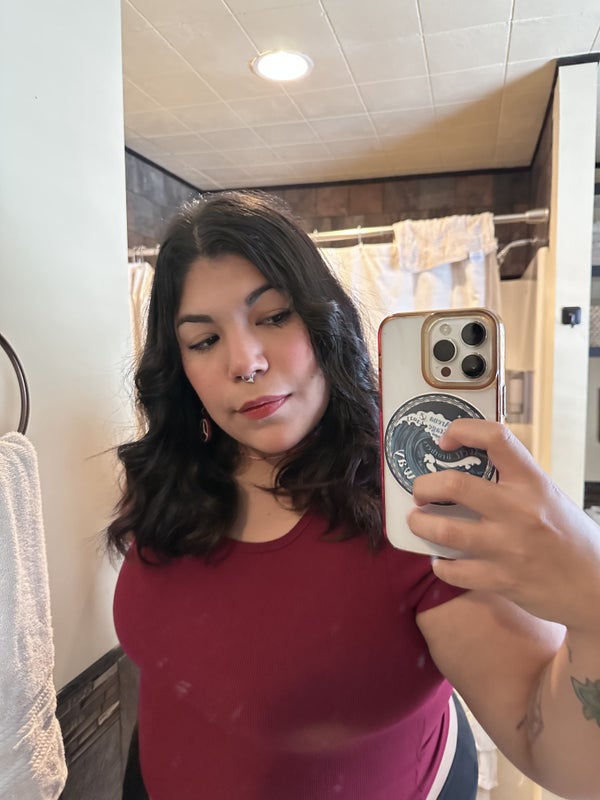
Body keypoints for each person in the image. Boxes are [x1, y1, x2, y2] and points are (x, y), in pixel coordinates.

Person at [109, 190, 600, 800]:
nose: (245, 362)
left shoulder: (420, 502)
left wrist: (593, 602)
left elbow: (560, 755)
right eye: (204, 341)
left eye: (274, 316)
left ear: (325, 322)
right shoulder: (173, 475)